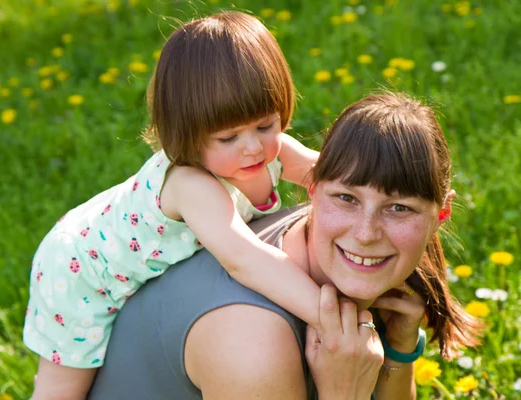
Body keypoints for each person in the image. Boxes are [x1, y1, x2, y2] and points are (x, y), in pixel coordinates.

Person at [88, 92, 483, 399]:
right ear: (312, 187)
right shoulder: (255, 348)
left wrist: (397, 350)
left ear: (440, 215)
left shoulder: (372, 272)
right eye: (345, 198)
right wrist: (342, 393)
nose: (366, 233)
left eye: (399, 208)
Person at [24, 11, 323, 399]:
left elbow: (333, 178)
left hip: (120, 256)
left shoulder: (270, 150)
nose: (253, 147)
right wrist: (325, 312)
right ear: (187, 135)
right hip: (84, 268)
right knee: (63, 391)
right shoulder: (190, 184)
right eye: (228, 137)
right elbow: (246, 259)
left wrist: (402, 195)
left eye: (265, 125)